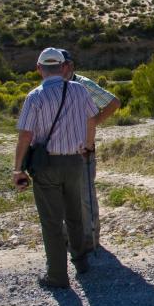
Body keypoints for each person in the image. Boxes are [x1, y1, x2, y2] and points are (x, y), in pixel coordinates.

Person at [13, 47, 99, 288]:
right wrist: (88, 146)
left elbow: (25, 135)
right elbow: (92, 119)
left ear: (39, 68)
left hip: (47, 165)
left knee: (51, 222)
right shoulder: (79, 90)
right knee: (74, 215)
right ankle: (81, 262)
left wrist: (17, 169)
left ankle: (57, 275)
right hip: (75, 161)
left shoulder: (35, 96)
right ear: (63, 67)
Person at [60, 49, 121, 252]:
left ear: (71, 65)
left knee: (85, 196)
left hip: (83, 150)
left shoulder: (83, 84)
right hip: (60, 151)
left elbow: (113, 103)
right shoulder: (53, 86)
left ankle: (90, 238)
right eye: (58, 65)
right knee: (63, 196)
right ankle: (68, 237)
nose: (61, 69)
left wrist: (93, 122)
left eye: (64, 64)